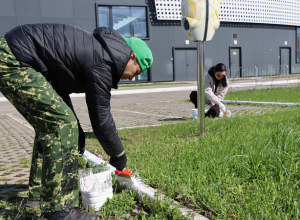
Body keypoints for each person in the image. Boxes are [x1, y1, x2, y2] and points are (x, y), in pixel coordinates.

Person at [0, 23, 153, 220]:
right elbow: (101, 119)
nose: (132, 78)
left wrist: (78, 133)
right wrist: (118, 155)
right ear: (131, 56)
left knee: (54, 124)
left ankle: (38, 196)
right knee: (62, 125)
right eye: (137, 71)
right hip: (15, 60)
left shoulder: (98, 51)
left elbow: (58, 87)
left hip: (13, 55)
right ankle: (60, 208)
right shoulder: (103, 61)